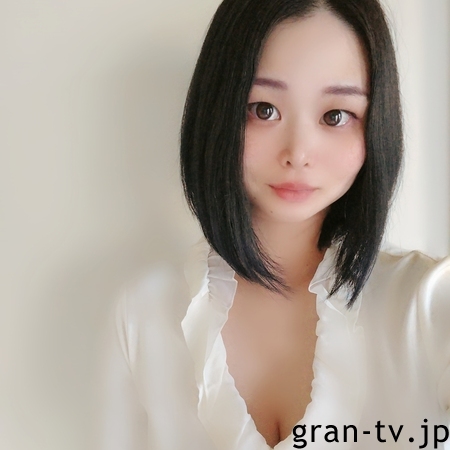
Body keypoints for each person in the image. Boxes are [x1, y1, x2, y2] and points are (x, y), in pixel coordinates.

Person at [96, 0, 450, 449]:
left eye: (335, 116)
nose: (298, 152)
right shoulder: (145, 313)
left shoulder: (429, 303)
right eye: (263, 109)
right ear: (219, 111)